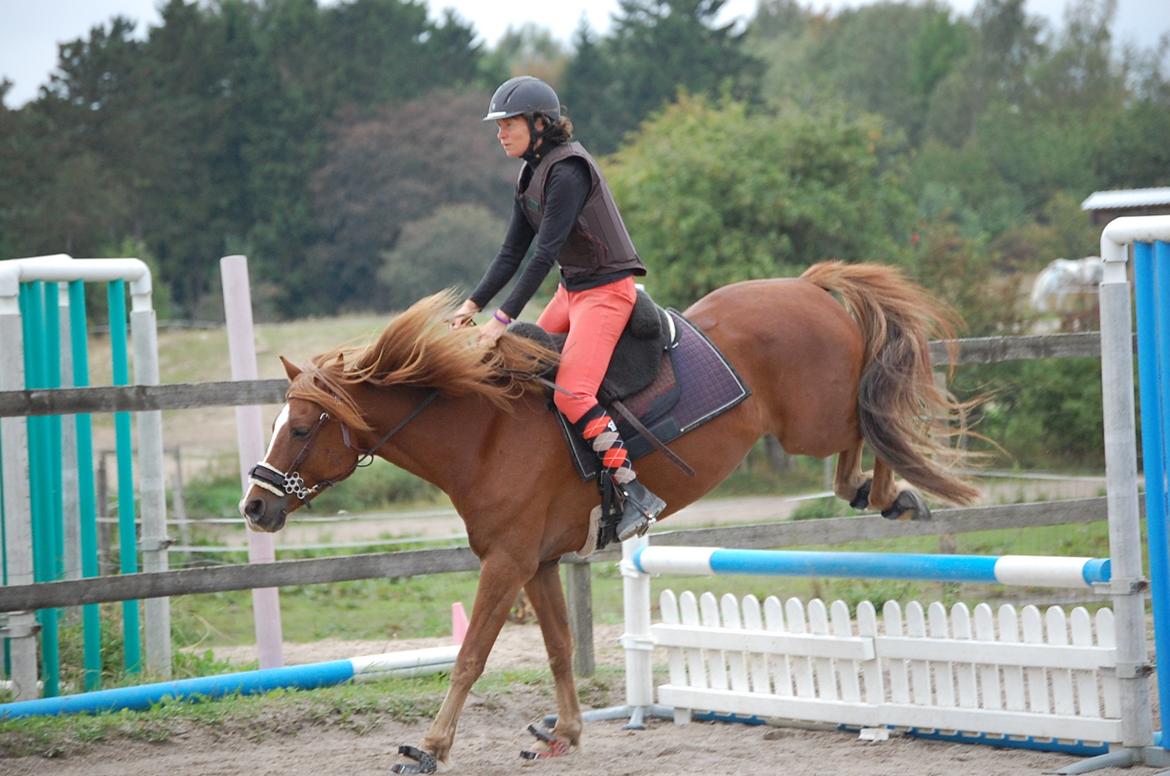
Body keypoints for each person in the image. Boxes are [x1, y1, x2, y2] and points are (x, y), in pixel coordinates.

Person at [451, 75, 665, 542]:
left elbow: (542, 255)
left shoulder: (567, 171)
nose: (500, 133)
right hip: (573, 292)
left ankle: (633, 493)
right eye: (498, 126)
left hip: (608, 292)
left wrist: (501, 321)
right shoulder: (531, 172)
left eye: (508, 124)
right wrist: (471, 305)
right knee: (525, 367)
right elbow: (511, 252)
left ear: (540, 123)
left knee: (571, 393)